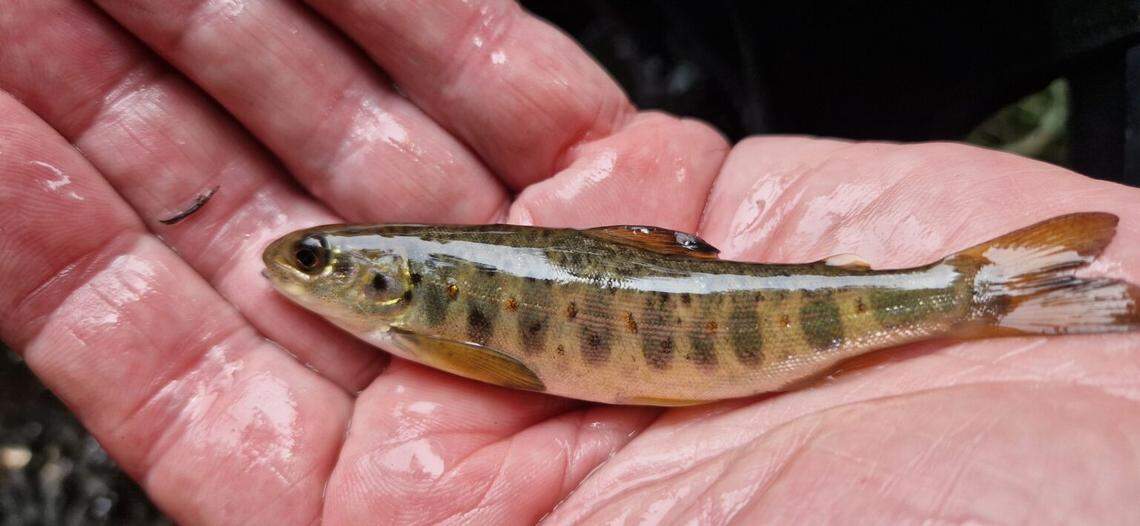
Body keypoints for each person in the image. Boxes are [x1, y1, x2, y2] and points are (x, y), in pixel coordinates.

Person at [0, 1, 1137, 524]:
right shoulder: (420, 299)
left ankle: (967, 294)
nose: (292, 270)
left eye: (315, 261)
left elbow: (502, 367)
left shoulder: (427, 312)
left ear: (389, 288)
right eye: (312, 258)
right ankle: (966, 294)